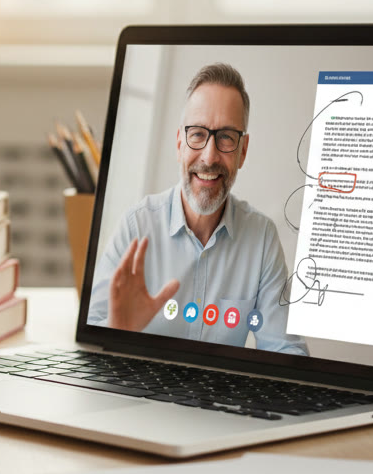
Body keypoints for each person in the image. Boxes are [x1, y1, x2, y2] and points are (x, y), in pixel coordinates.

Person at [88, 63, 308, 355]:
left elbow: (287, 353)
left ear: (243, 151)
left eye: (227, 137)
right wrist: (119, 329)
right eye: (198, 134)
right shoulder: (136, 226)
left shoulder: (262, 239)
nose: (209, 156)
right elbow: (89, 347)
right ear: (180, 142)